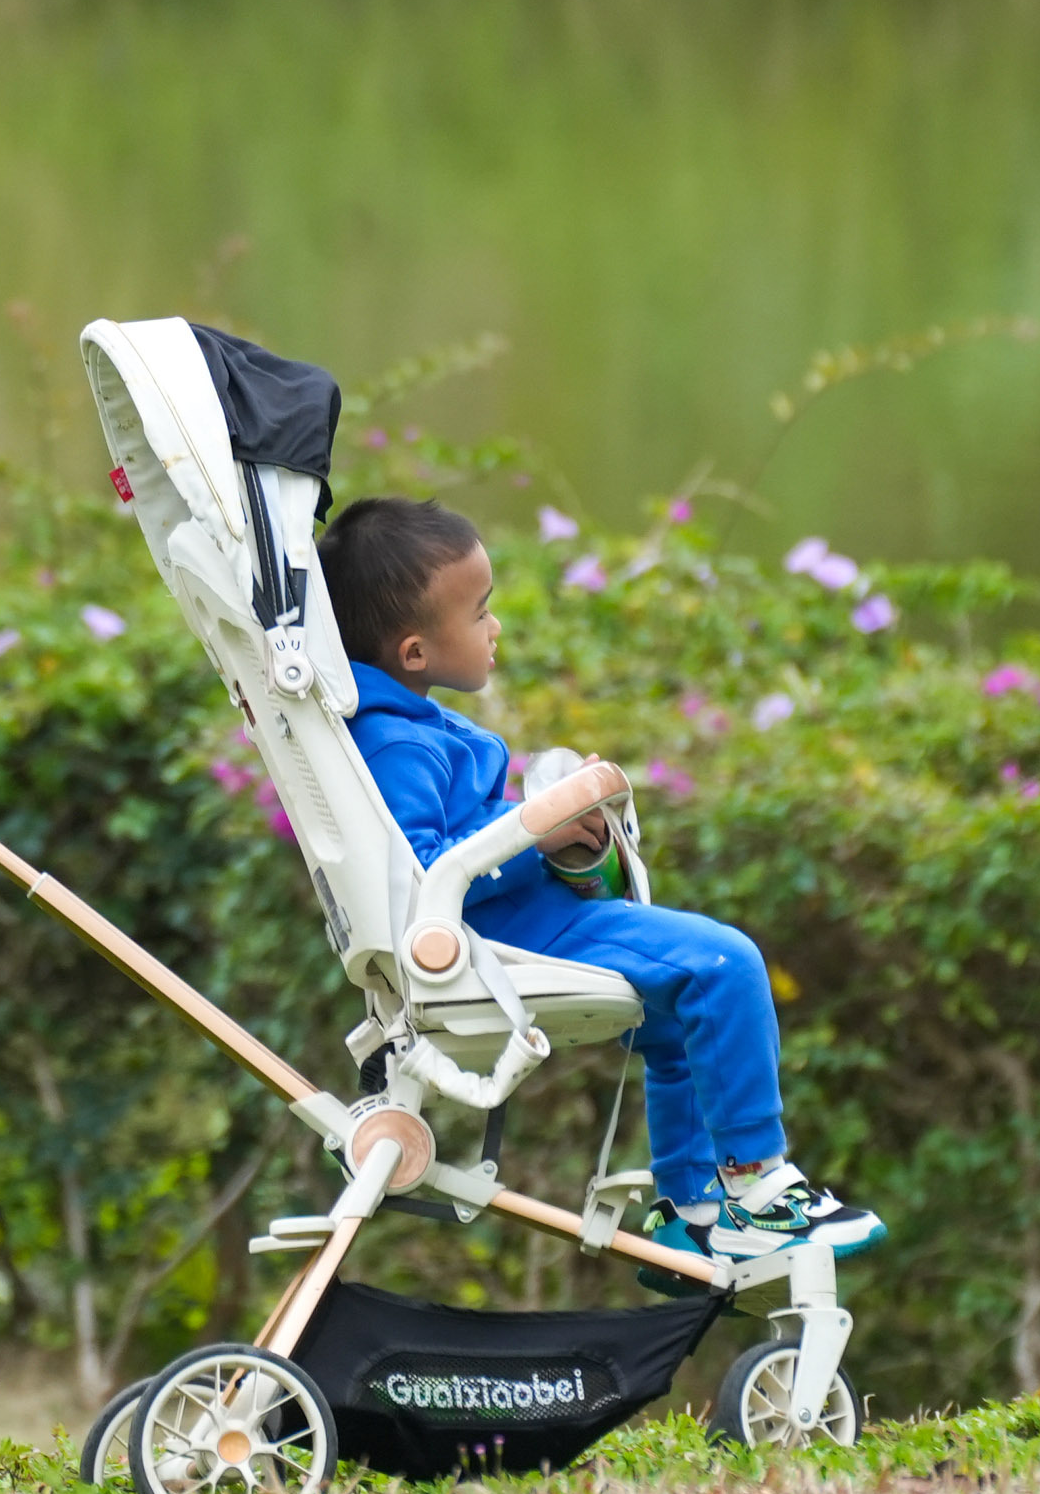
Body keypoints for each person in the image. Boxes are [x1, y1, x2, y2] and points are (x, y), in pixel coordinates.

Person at [316, 495, 882, 1266]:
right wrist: (534, 835)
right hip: (515, 935)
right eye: (480, 613)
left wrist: (547, 824)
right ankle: (760, 1190)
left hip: (523, 916)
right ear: (415, 653)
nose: (495, 628)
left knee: (682, 1020)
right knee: (724, 965)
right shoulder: (398, 743)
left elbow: (455, 842)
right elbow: (421, 877)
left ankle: (693, 1209)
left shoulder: (416, 725)